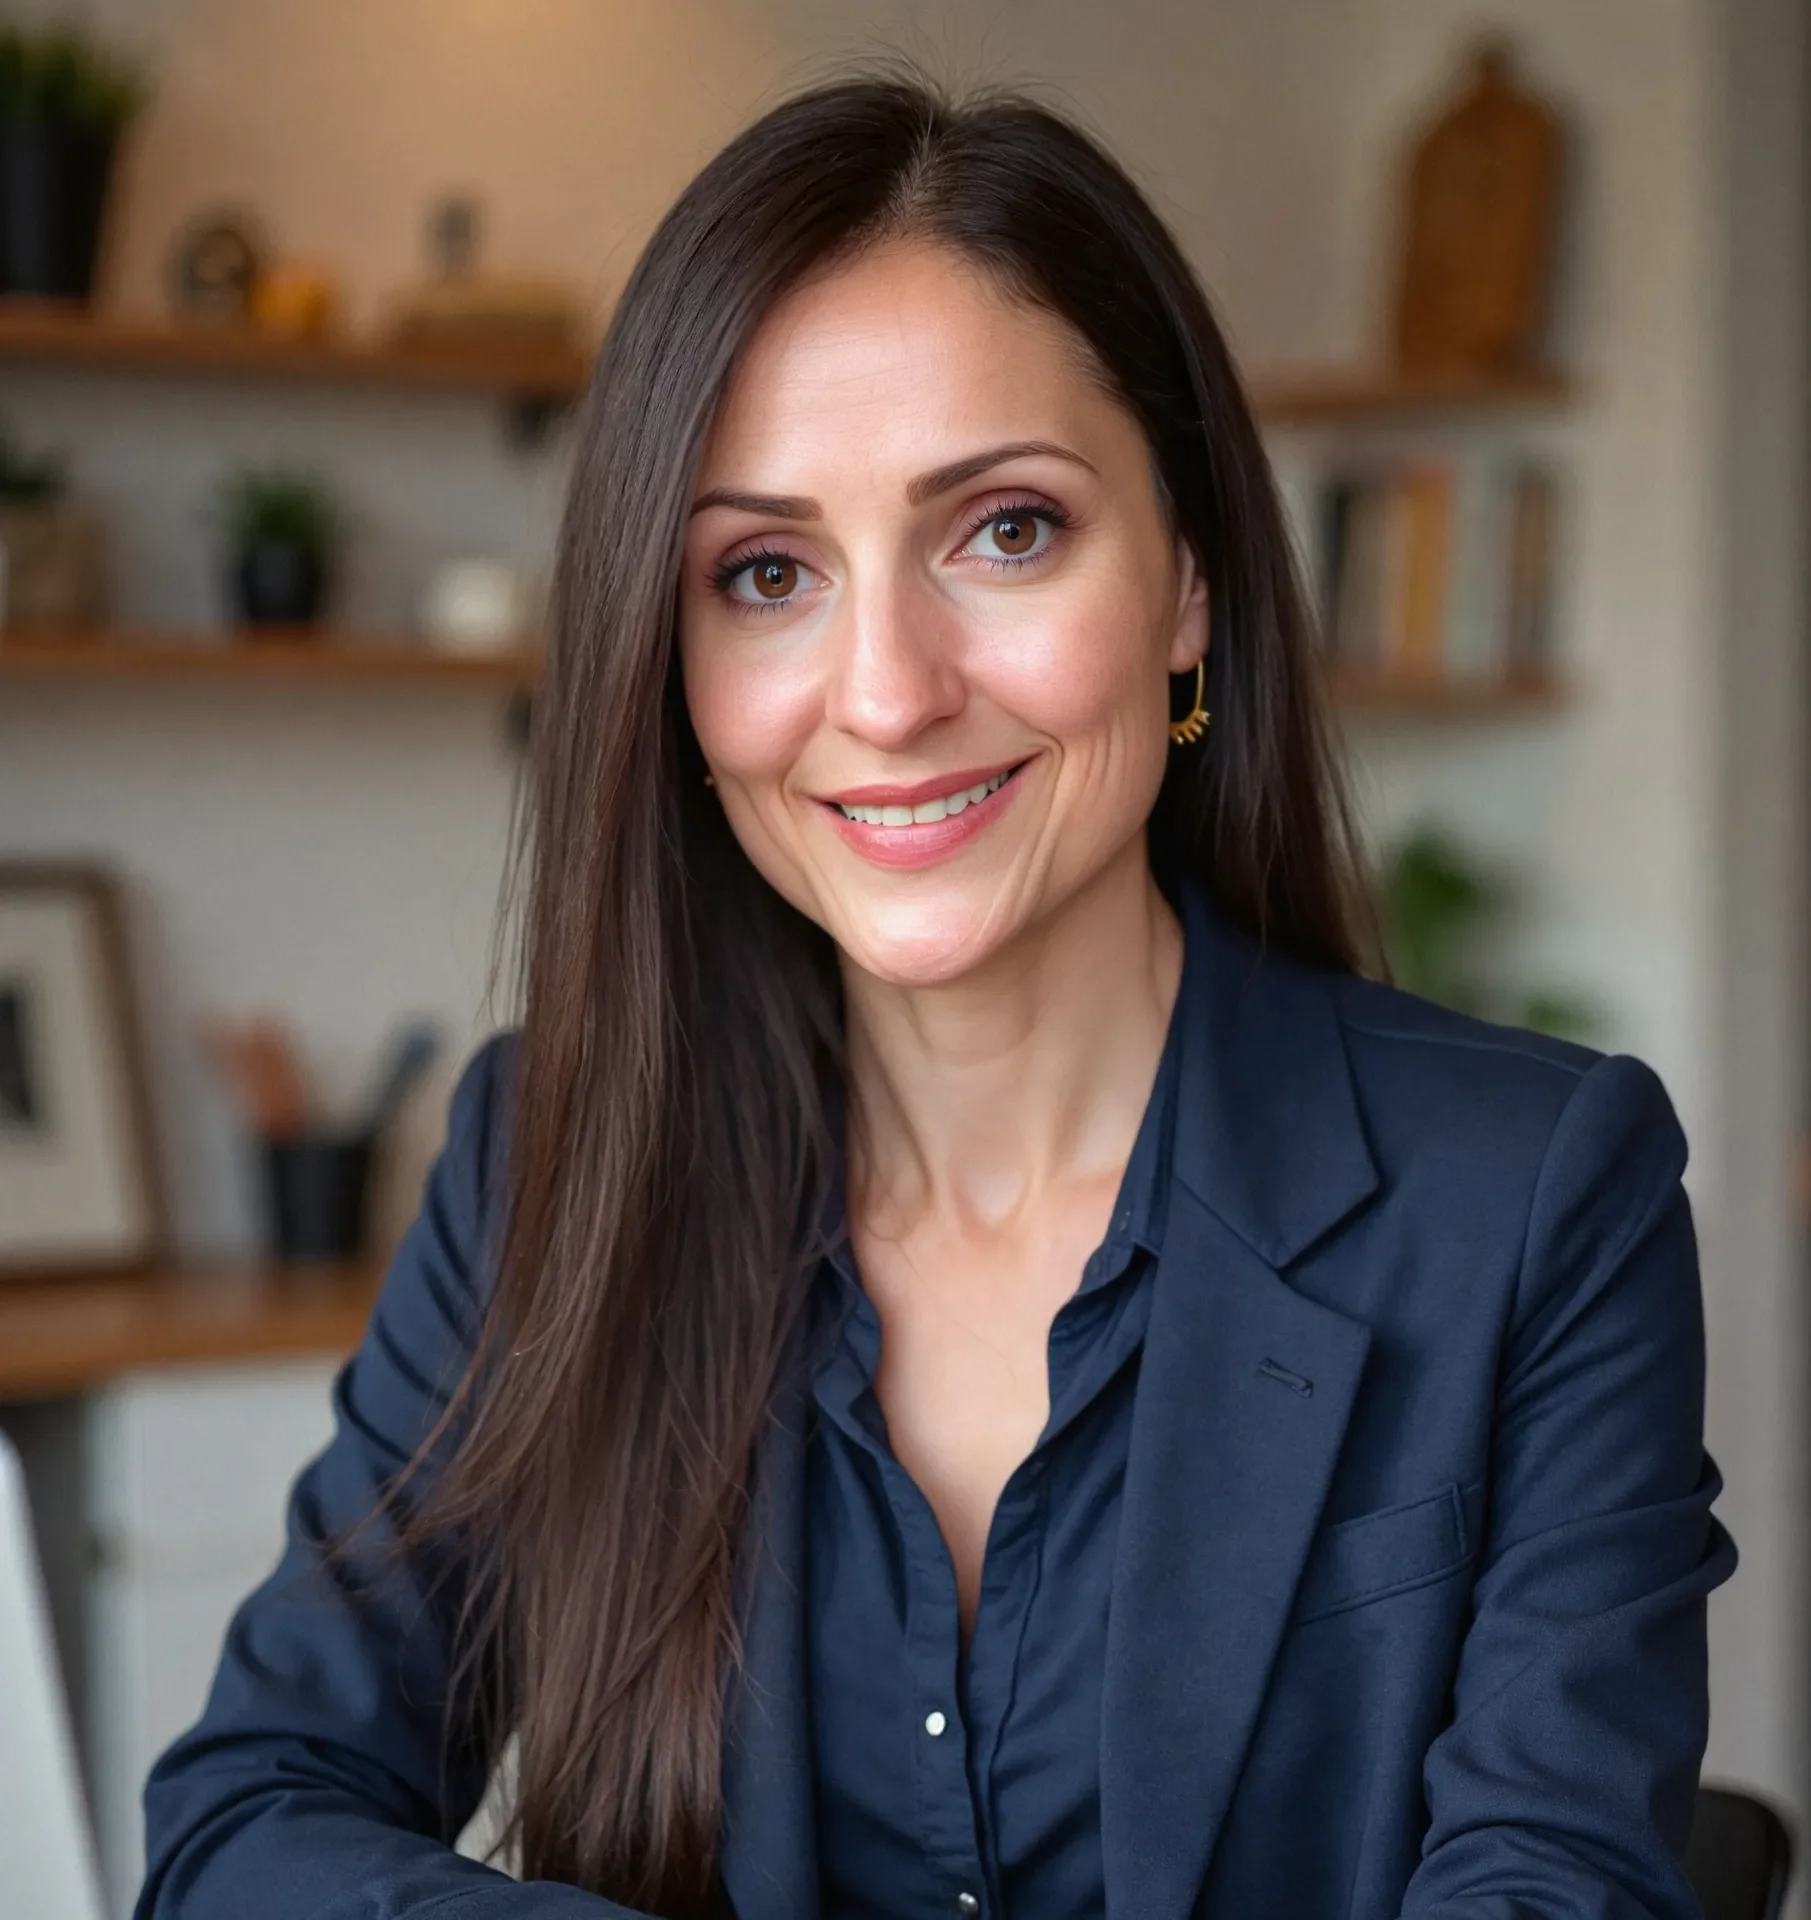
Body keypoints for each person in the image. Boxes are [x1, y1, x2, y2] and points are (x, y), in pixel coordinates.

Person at [137, 65, 1735, 1920]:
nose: (885, 692)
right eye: (764, 572)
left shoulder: (1534, 1197)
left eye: (1005, 530)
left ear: (1191, 581)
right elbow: (252, 1815)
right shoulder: (545, 1167)